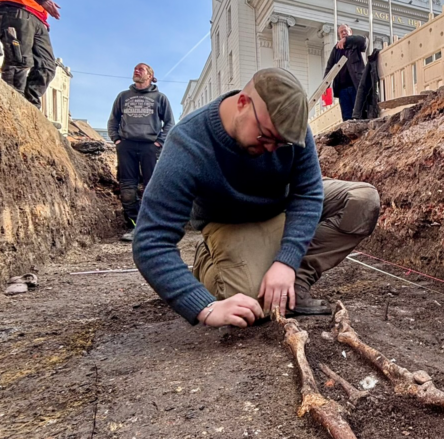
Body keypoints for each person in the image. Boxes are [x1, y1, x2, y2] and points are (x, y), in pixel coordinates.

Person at [132, 68, 380, 328]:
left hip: (280, 204)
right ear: (242, 103)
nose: (272, 149)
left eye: (281, 143)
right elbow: (150, 240)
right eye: (266, 137)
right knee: (249, 304)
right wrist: (203, 307)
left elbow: (308, 192)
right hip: (229, 221)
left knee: (362, 200)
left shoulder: (288, 131)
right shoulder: (189, 143)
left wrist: (286, 261)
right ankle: (208, 260)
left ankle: (294, 281)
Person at [108, 63, 175, 242]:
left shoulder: (160, 98)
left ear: (151, 76)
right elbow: (113, 120)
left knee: (152, 187)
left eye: (141, 69)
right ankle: (135, 227)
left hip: (150, 147)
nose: (136, 71)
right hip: (126, 146)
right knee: (127, 189)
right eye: (135, 69)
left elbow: (169, 123)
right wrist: (117, 139)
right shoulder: (123, 96)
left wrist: (159, 143)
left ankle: (153, 227)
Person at [0, 0, 59, 108]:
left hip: (38, 16)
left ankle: (30, 108)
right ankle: (12, 107)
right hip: (16, 8)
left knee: (47, 67)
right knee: (19, 61)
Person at [323, 24, 367, 121]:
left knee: (360, 114)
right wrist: (325, 86)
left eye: (345, 30)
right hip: (342, 89)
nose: (343, 33)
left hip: (356, 86)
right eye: (341, 32)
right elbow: (329, 67)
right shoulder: (336, 49)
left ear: (350, 31)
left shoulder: (356, 44)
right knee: (347, 117)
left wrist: (347, 39)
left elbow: (364, 41)